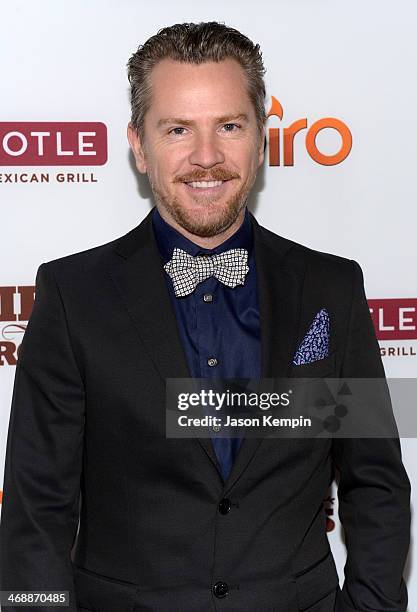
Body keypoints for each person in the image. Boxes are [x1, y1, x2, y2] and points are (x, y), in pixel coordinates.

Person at [0, 21, 410, 612]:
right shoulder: (73, 295)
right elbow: (37, 508)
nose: (207, 157)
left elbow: (377, 483)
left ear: (262, 140)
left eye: (229, 125)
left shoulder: (330, 288)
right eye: (177, 130)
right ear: (139, 146)